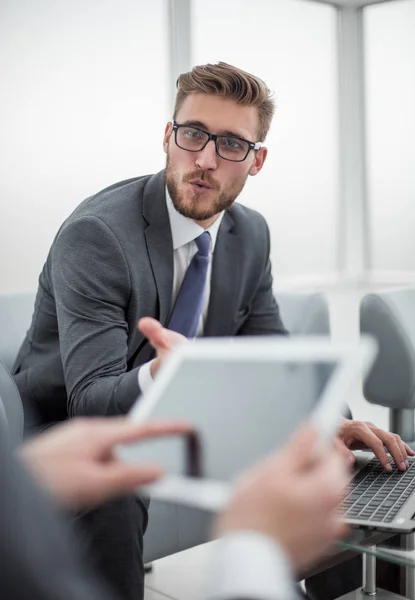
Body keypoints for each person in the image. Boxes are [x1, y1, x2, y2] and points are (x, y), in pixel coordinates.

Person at [12, 61, 413, 599]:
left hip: (190, 418)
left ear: (257, 160)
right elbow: (90, 400)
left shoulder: (249, 233)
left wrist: (325, 422)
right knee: (116, 491)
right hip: (73, 428)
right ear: (167, 136)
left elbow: (273, 350)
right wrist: (163, 375)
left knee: (339, 459)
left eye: (230, 144)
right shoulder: (98, 235)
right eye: (193, 134)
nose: (204, 159)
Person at [1, 412, 349, 600]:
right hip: (117, 409)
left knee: (336, 438)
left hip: (213, 408)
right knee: (117, 496)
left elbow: (273, 342)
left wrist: (315, 420)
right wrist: (254, 547)